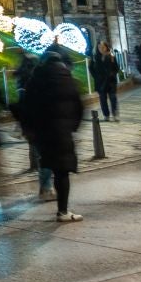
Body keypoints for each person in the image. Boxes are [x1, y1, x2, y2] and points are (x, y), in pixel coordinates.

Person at [19, 44, 86, 222]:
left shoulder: (35, 79)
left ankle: (45, 188)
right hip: (62, 131)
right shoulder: (67, 78)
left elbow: (26, 106)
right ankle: (63, 211)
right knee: (62, 171)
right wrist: (73, 126)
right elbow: (79, 105)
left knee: (47, 163)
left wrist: (30, 128)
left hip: (43, 131)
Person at [91, 41, 122, 121]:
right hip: (100, 82)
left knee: (113, 98)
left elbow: (116, 68)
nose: (101, 49)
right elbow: (91, 68)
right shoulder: (95, 57)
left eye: (103, 47)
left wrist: (112, 74)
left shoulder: (111, 56)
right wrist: (96, 77)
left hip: (111, 81)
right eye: (99, 47)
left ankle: (115, 114)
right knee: (103, 99)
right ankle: (106, 115)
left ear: (106, 47)